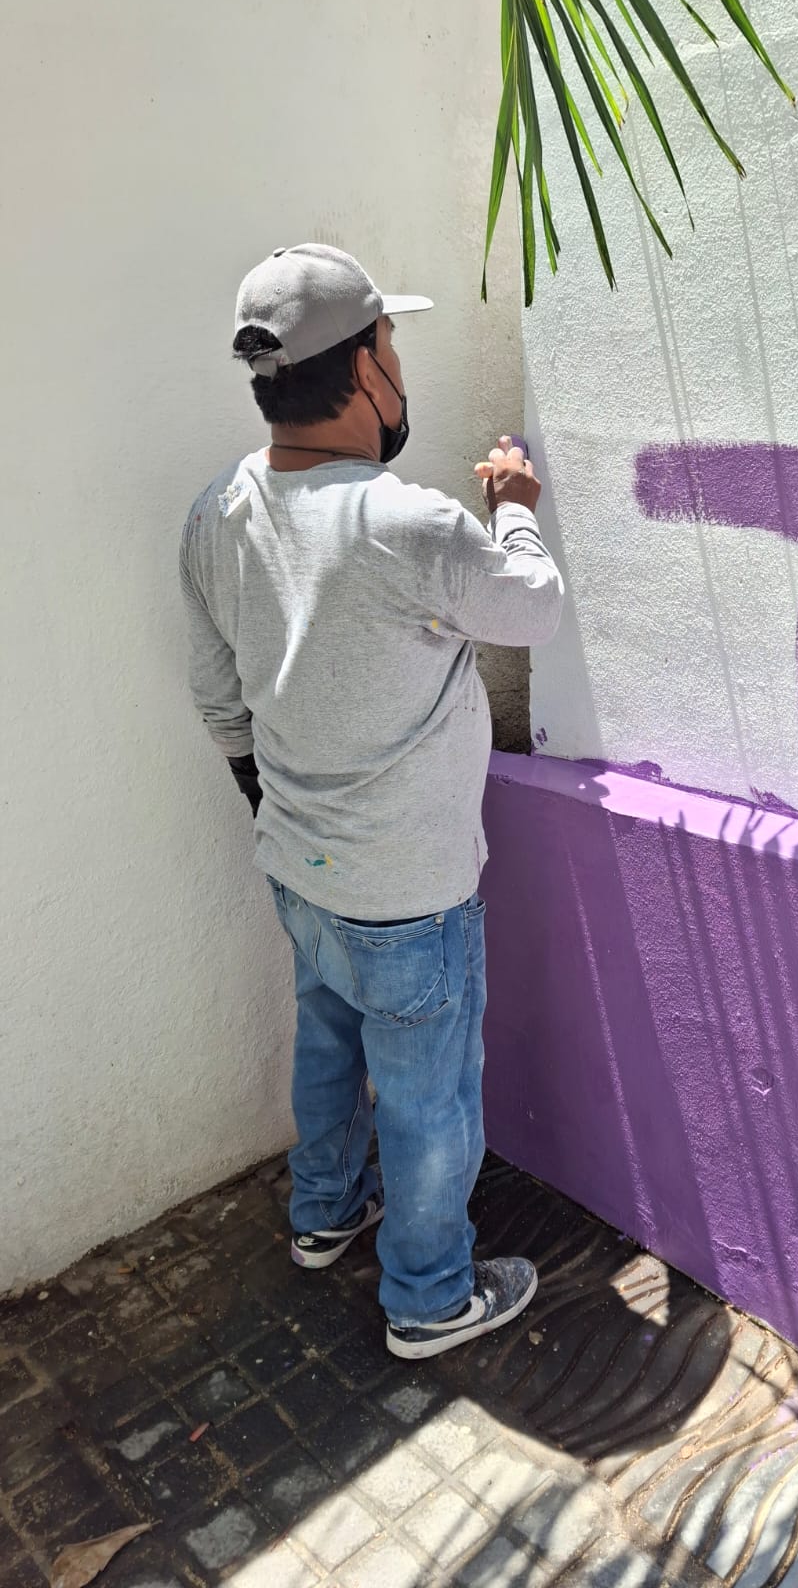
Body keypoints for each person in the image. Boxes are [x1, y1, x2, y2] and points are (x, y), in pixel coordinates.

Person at [179, 244, 563, 1358]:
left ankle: (324, 1214)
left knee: (328, 1048)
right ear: (362, 369)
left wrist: (278, 804)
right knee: (429, 1100)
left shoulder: (218, 511)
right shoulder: (408, 521)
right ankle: (430, 1297)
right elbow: (531, 609)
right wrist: (514, 506)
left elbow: (217, 695)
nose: (400, 363)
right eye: (391, 341)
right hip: (411, 893)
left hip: (300, 871)